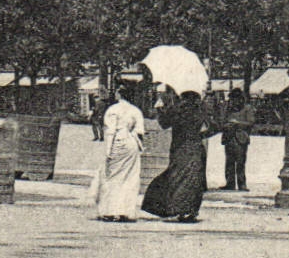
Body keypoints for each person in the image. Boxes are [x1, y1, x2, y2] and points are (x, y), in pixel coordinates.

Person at [142, 87, 215, 223]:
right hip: (196, 148)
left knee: (176, 178)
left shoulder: (178, 111)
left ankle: (177, 209)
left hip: (180, 149)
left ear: (184, 99)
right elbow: (214, 127)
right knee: (194, 180)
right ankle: (191, 211)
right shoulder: (200, 112)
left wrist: (160, 108)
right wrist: (201, 135)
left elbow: (164, 123)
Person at [91, 78, 145, 221]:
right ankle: (125, 211)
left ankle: (110, 210)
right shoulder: (135, 110)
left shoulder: (113, 110)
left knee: (112, 176)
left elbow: (110, 132)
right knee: (129, 177)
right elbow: (140, 131)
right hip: (132, 143)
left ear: (120, 94)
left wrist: (108, 151)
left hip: (118, 143)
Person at [220, 89, 254, 191]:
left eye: (236, 99)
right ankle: (229, 183)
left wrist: (237, 123)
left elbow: (251, 123)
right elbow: (222, 122)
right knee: (229, 162)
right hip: (229, 138)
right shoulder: (228, 109)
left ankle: (242, 184)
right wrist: (228, 125)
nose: (234, 102)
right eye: (232, 99)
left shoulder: (247, 109)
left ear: (241, 99)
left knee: (240, 162)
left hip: (241, 138)